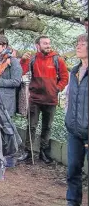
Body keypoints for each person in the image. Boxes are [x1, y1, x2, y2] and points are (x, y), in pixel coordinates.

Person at [17, 35, 69, 164]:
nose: (48, 45)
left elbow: (64, 77)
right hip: (34, 99)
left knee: (47, 127)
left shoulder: (58, 59)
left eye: (49, 43)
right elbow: (21, 72)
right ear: (37, 46)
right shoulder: (33, 59)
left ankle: (43, 152)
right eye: (45, 43)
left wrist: (57, 88)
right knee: (31, 126)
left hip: (51, 100)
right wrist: (23, 61)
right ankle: (27, 152)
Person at [65, 33, 87, 206]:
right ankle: (72, 202)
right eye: (77, 43)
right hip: (74, 131)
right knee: (72, 170)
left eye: (83, 43)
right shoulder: (74, 71)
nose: (78, 46)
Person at [0, 35, 22, 117]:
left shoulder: (13, 61)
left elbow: (16, 81)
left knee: (5, 128)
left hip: (6, 102)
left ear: (4, 46)